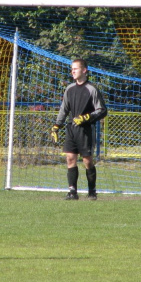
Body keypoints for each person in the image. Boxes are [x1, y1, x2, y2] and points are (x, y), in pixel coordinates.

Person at [51, 59, 107, 200]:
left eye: (75, 68)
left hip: (85, 130)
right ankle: (72, 192)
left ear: (84, 70)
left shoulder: (91, 89)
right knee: (70, 158)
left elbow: (102, 110)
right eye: (72, 69)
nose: (73, 71)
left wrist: (86, 117)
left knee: (87, 161)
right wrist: (57, 125)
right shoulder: (69, 89)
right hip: (71, 129)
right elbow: (64, 109)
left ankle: (92, 191)